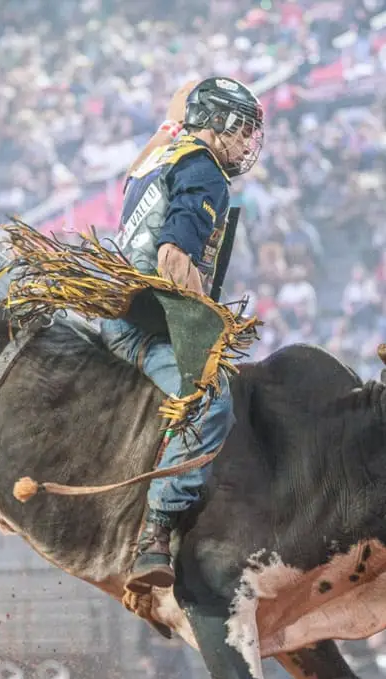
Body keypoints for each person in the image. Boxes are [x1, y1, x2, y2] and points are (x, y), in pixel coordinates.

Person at [105, 76, 265, 594]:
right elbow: (174, 256)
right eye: (241, 130)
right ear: (214, 123)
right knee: (213, 398)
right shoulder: (205, 171)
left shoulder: (160, 156)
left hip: (114, 309)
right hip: (147, 325)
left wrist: (173, 115)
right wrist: (206, 328)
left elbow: (141, 159)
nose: (246, 144)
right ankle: (157, 531)